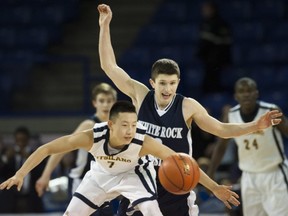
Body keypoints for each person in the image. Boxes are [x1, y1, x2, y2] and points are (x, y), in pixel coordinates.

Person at [97, 4, 282, 216]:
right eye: (163, 83)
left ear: (178, 83)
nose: (168, 89)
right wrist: (105, 26)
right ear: (152, 83)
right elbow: (109, 66)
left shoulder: (187, 106)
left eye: (172, 83)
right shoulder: (140, 95)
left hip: (177, 184)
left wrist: (255, 125)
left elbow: (221, 129)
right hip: (142, 182)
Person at [0, 101, 241, 216]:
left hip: (133, 176)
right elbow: (47, 149)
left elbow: (185, 164)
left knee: (151, 210)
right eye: (125, 125)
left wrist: (215, 187)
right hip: (100, 176)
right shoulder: (91, 136)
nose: (130, 130)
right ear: (111, 124)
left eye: (134, 125)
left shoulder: (143, 141)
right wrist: (21, 173)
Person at [207, 77, 288, 216]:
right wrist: (211, 173)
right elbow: (220, 147)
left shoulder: (270, 110)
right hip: (249, 176)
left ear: (256, 93)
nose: (246, 94)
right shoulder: (231, 115)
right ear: (236, 96)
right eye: (241, 91)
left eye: (249, 91)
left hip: (274, 173)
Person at [35, 83, 118, 215]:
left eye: (109, 101)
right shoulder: (89, 124)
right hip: (81, 181)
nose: (106, 105)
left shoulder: (117, 127)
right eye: (101, 101)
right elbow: (62, 150)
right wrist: (46, 175)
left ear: (115, 103)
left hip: (105, 182)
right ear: (94, 103)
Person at [0, 126, 45, 213]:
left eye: (23, 140)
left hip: (31, 198)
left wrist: (30, 159)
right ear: (15, 140)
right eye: (18, 140)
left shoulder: (35, 154)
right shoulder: (7, 154)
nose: (20, 143)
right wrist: (5, 158)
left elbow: (41, 173)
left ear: (27, 140)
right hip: (10, 198)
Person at [196, 1, 232, 94]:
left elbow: (224, 43)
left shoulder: (221, 24)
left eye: (207, 9)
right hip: (207, 60)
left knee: (216, 83)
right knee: (206, 85)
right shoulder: (204, 23)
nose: (204, 11)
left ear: (213, 10)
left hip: (218, 60)